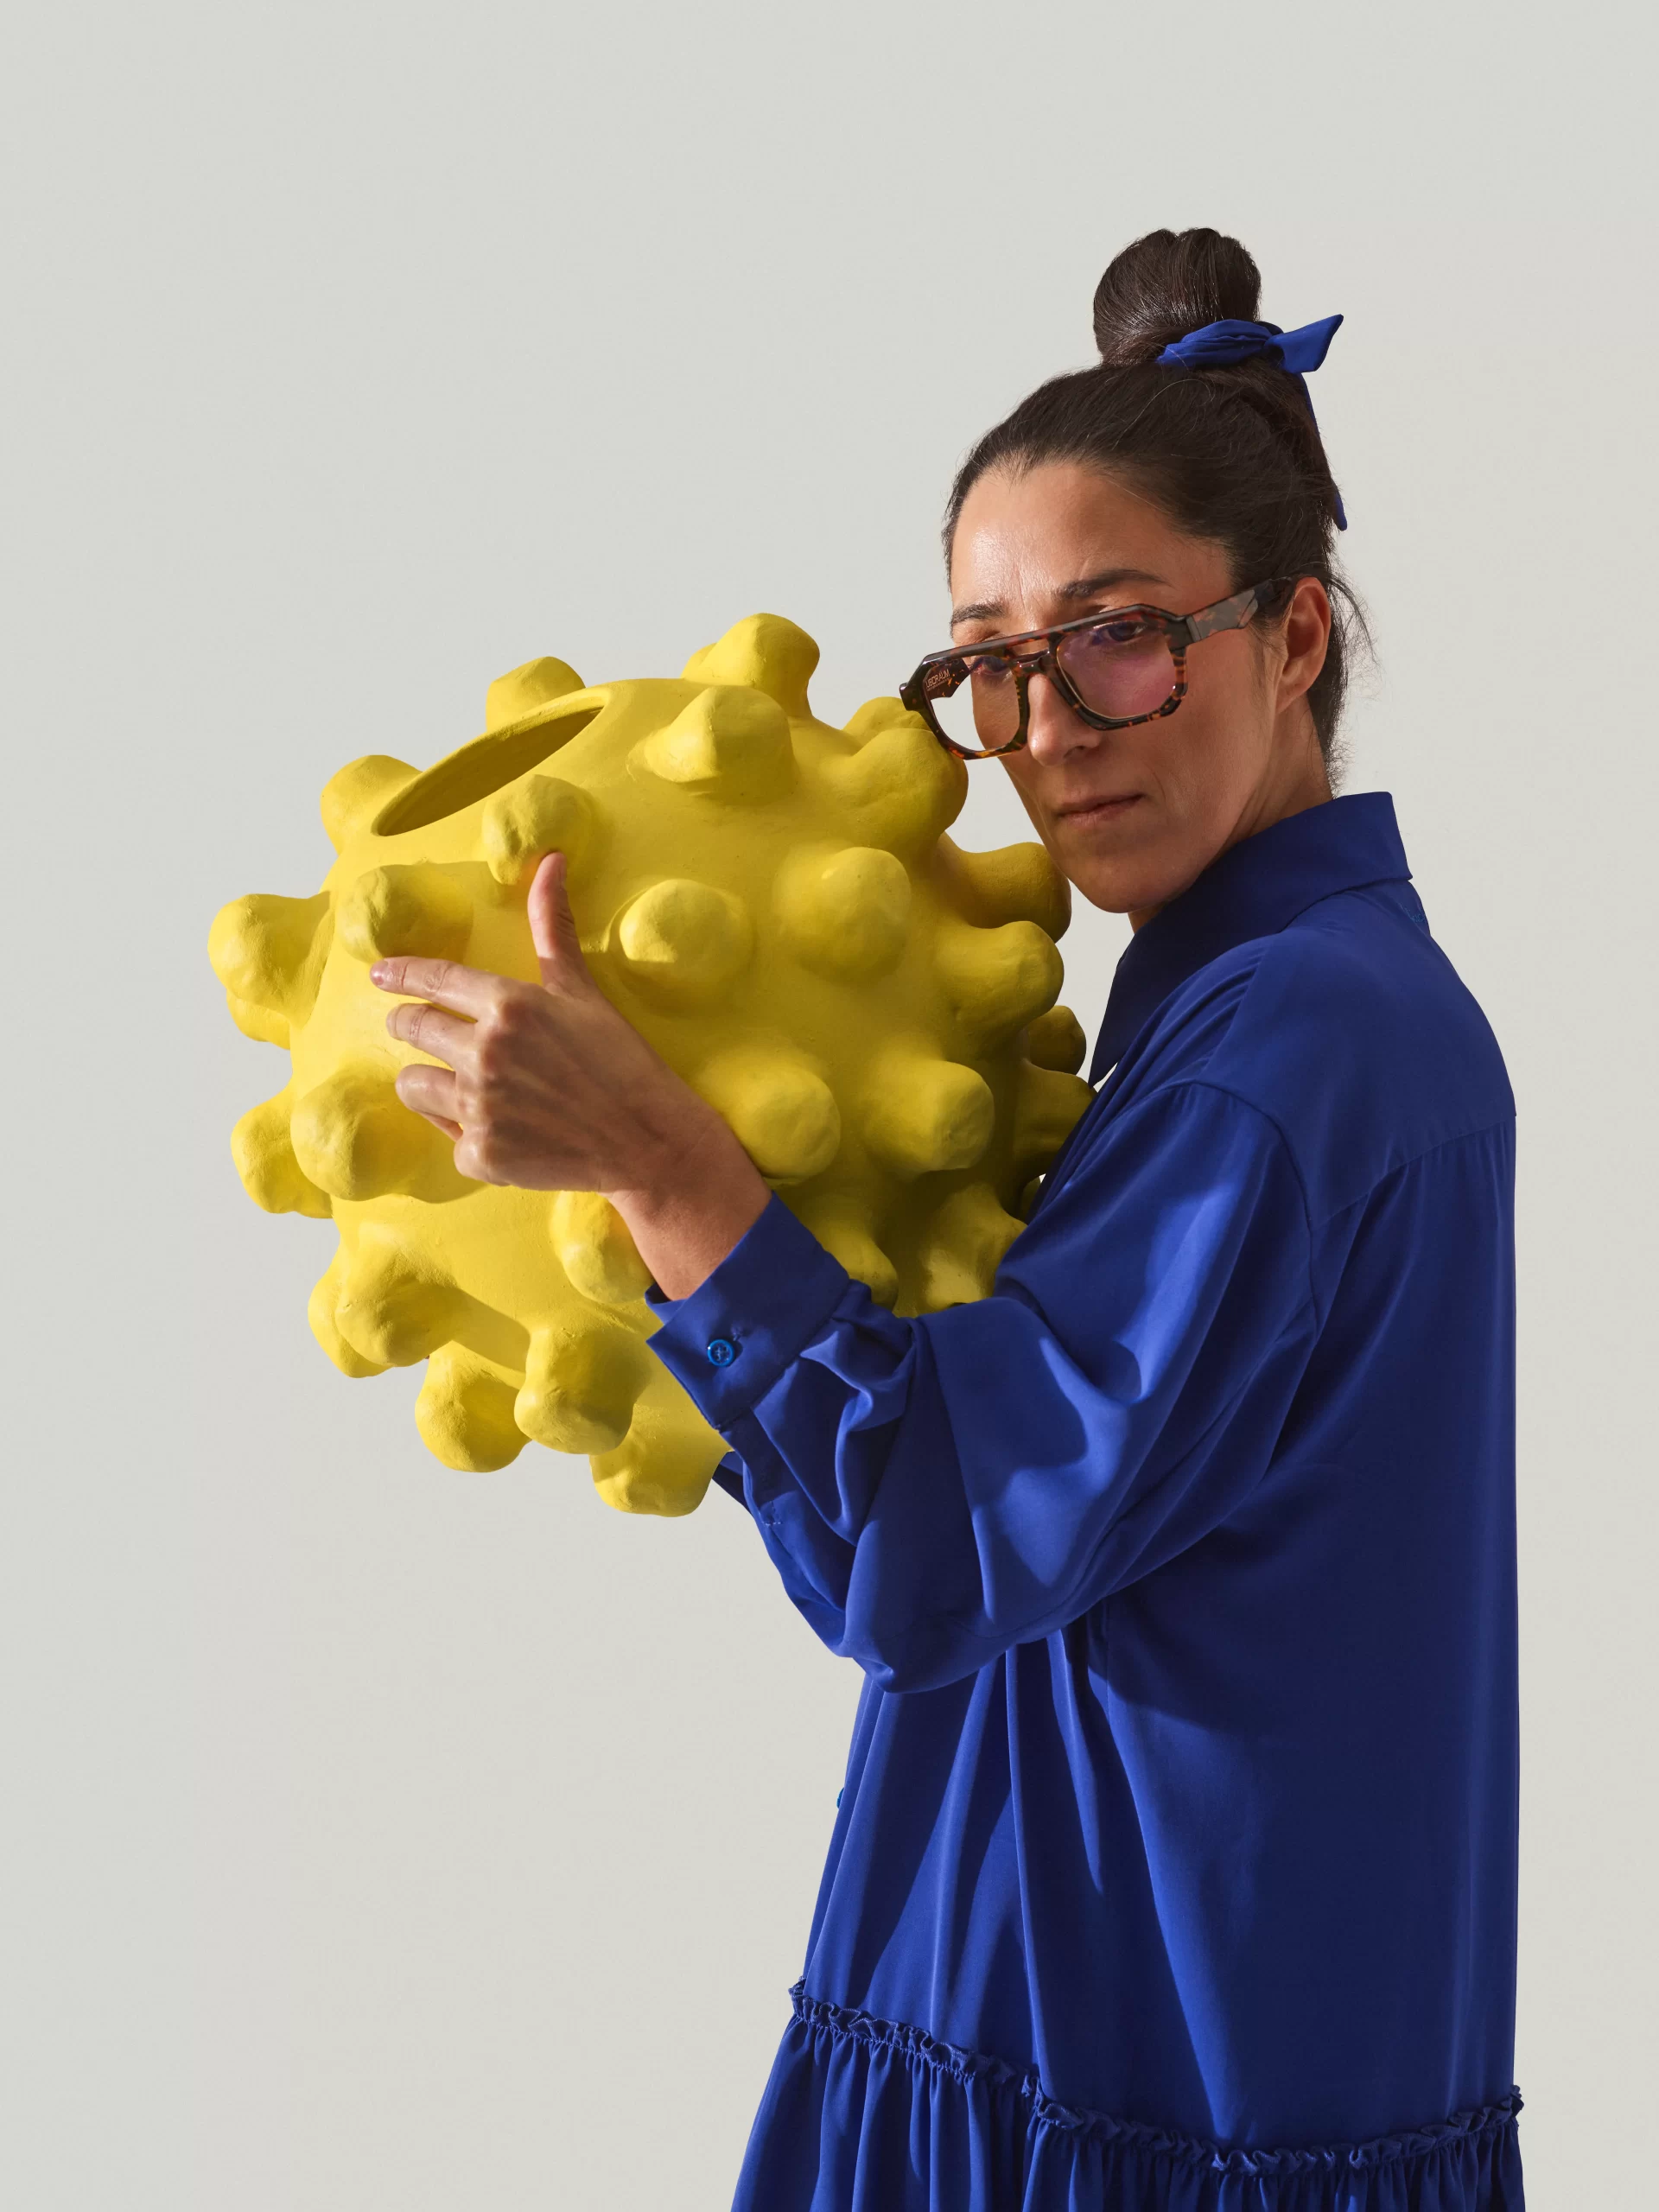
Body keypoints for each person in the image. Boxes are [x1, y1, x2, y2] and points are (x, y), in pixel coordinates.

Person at [369, 229, 1523, 2211]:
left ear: (1294, 637)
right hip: (1124, 2040)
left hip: (1131, 2085)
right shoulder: (1261, 1004)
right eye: (991, 662)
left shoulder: (1296, 1046)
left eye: (1119, 636)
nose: (1049, 724)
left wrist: (671, 1168)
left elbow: (936, 1546)